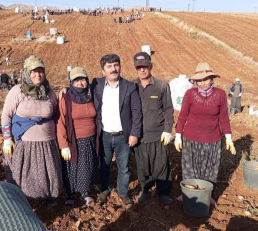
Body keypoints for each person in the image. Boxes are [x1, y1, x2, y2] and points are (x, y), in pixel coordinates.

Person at [1, 55, 62, 205]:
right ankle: (24, 201)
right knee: (25, 175)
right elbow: (6, 115)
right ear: (27, 73)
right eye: (33, 71)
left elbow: (56, 114)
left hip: (47, 143)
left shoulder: (50, 93)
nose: (37, 74)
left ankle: (49, 198)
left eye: (40, 71)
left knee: (49, 175)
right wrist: (7, 139)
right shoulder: (17, 91)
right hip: (25, 144)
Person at [174, 62, 236, 205]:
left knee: (210, 168)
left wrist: (228, 138)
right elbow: (183, 115)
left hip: (212, 139)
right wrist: (178, 136)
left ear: (212, 78)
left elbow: (224, 117)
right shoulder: (190, 94)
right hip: (191, 138)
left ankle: (207, 195)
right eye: (199, 80)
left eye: (206, 79)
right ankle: (187, 194)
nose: (202, 83)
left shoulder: (220, 94)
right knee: (190, 167)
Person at [93, 54, 142, 208]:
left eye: (116, 65)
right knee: (104, 165)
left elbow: (137, 112)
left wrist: (134, 133)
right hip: (104, 136)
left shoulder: (130, 87)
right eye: (109, 66)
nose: (113, 69)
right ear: (103, 71)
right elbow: (77, 87)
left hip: (123, 136)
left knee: (124, 167)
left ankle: (123, 193)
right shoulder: (96, 85)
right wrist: (65, 90)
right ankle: (105, 189)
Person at [132, 52, 174, 205]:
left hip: (158, 133)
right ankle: (145, 190)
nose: (142, 70)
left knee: (161, 165)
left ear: (151, 66)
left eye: (145, 66)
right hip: (139, 135)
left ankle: (163, 192)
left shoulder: (161, 86)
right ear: (135, 69)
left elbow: (169, 109)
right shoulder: (131, 86)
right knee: (143, 165)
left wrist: (168, 130)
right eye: (139, 67)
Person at [57, 67, 99, 206]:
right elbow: (60, 122)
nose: (80, 84)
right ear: (71, 83)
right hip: (73, 140)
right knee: (71, 167)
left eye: (83, 80)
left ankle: (84, 192)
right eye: (76, 81)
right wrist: (63, 145)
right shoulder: (66, 98)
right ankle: (70, 193)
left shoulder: (91, 94)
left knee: (86, 166)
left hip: (90, 139)